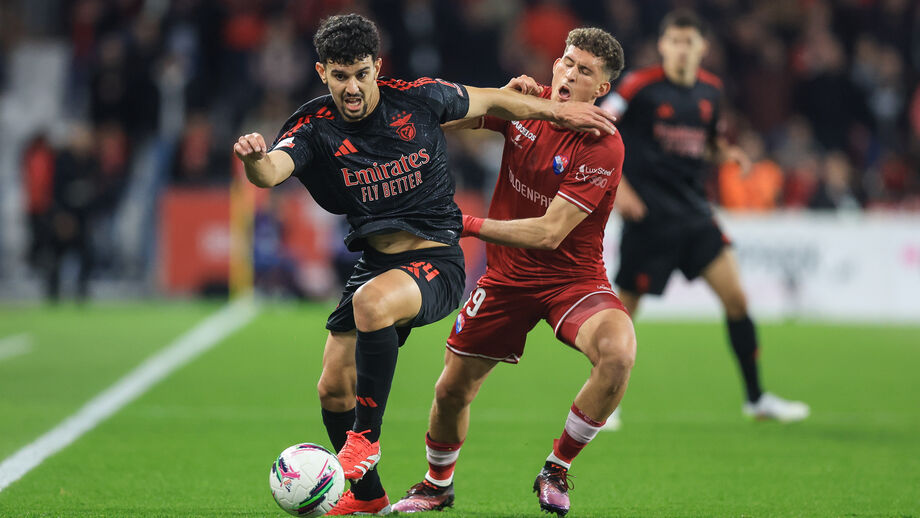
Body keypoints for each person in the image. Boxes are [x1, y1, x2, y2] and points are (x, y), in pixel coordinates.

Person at [231, 13, 616, 516]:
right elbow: (272, 172)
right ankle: (369, 498)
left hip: (436, 256)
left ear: (377, 68)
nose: (352, 87)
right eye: (341, 76)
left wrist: (557, 113)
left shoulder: (416, 96)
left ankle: (364, 442)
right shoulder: (312, 128)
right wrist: (254, 160)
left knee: (372, 305)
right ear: (323, 72)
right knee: (332, 385)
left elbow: (494, 100)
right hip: (375, 261)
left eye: (362, 73)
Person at [390, 28, 632, 517]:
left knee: (618, 351)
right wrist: (499, 98)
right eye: (566, 61)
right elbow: (452, 122)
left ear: (601, 89)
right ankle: (437, 485)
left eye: (585, 71)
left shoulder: (603, 145)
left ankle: (557, 467)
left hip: (572, 280)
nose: (569, 73)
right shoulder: (531, 106)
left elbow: (548, 233)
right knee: (451, 389)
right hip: (506, 280)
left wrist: (466, 224)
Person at [600, 9, 809, 424]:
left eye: (688, 42)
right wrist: (618, 187)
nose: (680, 49)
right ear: (662, 46)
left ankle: (756, 398)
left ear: (702, 48)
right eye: (673, 41)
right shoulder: (638, 86)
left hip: (695, 215)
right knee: (623, 312)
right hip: (649, 218)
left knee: (737, 299)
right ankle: (604, 405)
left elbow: (708, 143)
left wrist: (726, 154)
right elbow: (600, 127)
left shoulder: (711, 91)